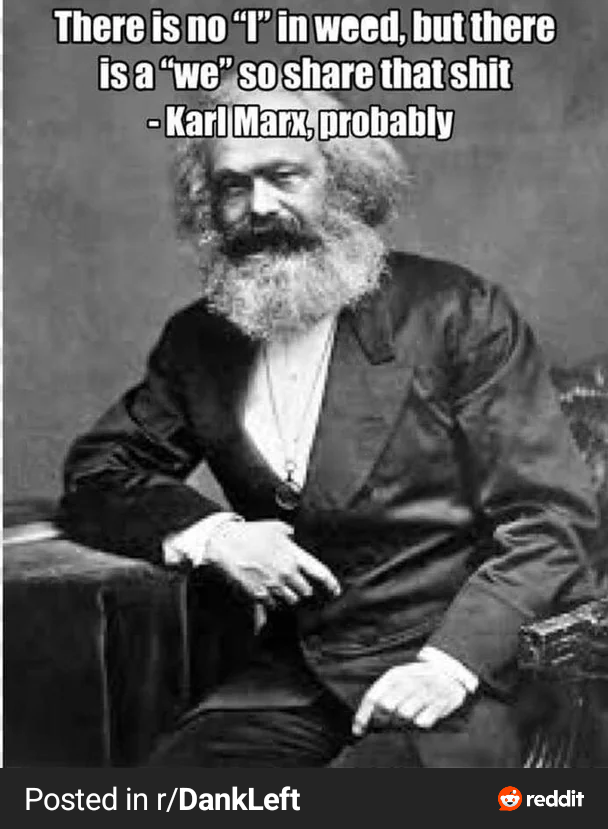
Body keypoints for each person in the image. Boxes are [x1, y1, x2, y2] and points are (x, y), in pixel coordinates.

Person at [60, 81, 603, 767]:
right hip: (294, 679)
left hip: (457, 674)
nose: (259, 206)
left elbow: (550, 520)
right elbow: (101, 472)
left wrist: (447, 665)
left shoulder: (457, 312)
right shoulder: (199, 340)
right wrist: (218, 537)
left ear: (343, 184)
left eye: (284, 176)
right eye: (233, 186)